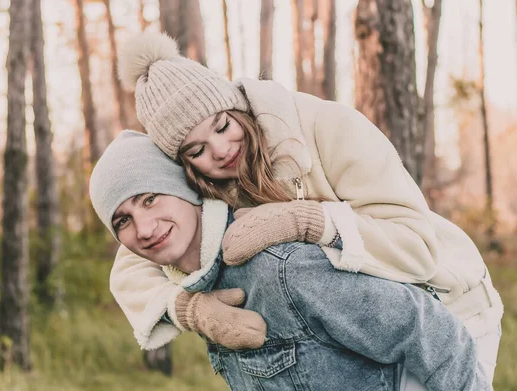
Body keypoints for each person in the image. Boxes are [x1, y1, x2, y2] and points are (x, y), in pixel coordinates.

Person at [113, 32, 503, 381]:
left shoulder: (326, 126)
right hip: (358, 327)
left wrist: (313, 221)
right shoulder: (203, 181)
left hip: (447, 306)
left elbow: (418, 249)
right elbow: (131, 265)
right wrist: (189, 309)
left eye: (222, 126)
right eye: (196, 150)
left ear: (236, 106)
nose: (220, 151)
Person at [89, 130, 491, 390]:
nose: (143, 227)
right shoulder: (200, 286)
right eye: (123, 220)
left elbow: (431, 331)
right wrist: (190, 310)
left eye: (150, 198)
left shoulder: (280, 269)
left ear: (187, 189)